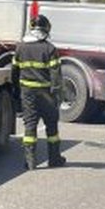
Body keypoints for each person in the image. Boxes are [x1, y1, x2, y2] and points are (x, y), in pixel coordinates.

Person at [12, 13, 66, 170]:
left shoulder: (20, 47)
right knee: (51, 126)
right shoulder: (50, 49)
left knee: (30, 125)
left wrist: (16, 89)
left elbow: (15, 71)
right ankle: (54, 159)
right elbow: (56, 75)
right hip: (46, 93)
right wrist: (58, 94)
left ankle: (30, 162)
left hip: (27, 92)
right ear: (46, 29)